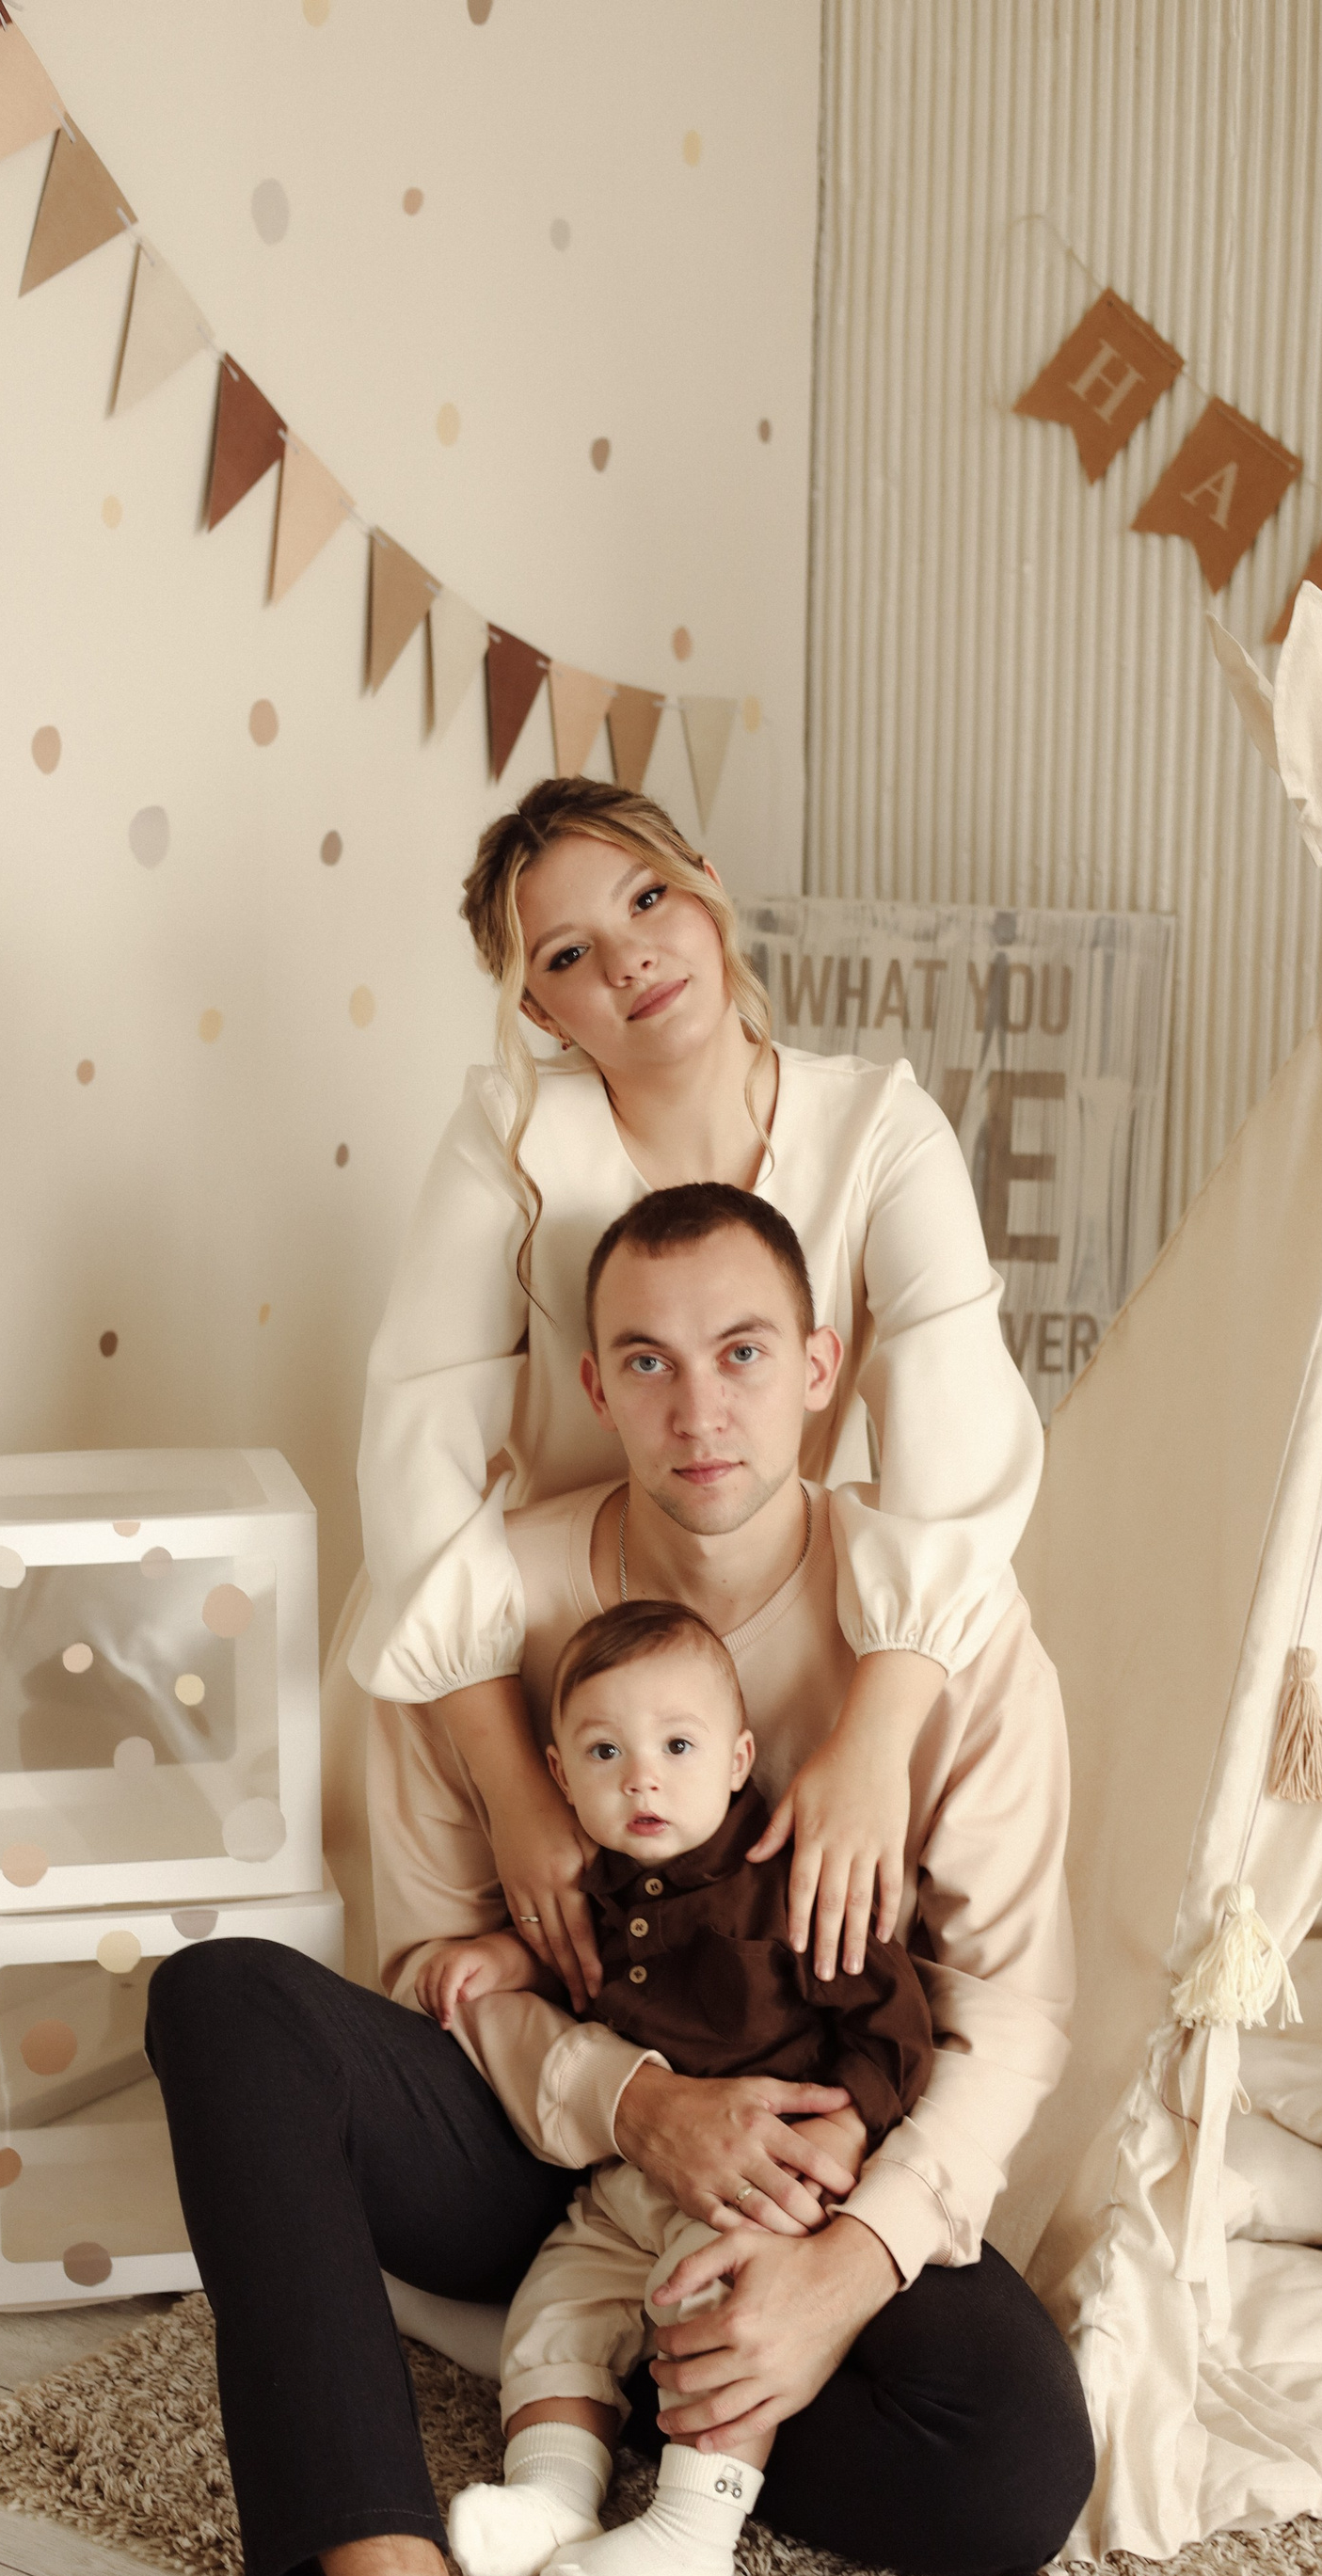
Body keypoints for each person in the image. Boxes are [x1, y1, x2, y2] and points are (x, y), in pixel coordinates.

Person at [145, 1184, 1090, 2576]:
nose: (698, 1409)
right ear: (595, 1385)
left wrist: (843, 2269)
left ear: (821, 1368)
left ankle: (617, 2381)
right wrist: (638, 2104)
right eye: (648, 1361)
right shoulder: (481, 1605)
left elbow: (1012, 2009)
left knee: (1015, 2470)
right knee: (222, 2000)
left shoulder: (946, 1631)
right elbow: (433, 1968)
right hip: (536, 2151)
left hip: (803, 2166)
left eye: (743, 1353)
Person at [323, 775, 1043, 2002]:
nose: (630, 960)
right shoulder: (508, 1140)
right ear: (540, 1008)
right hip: (546, 1632)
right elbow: (416, 1438)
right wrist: (515, 1788)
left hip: (772, 1594)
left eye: (648, 899)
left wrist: (875, 1743)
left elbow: (958, 1429)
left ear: (707, 886)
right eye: (569, 954)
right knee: (497, 2000)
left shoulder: (881, 1128)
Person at [426, 1598, 934, 2576]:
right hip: (626, 2183)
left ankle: (694, 2531)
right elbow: (571, 1960)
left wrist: (846, 2128)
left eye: (677, 1746)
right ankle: (553, 2493)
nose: (642, 1779)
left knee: (720, 2321)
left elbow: (894, 2024)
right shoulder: (598, 1890)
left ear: (740, 1759)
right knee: (558, 2307)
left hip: (760, 2188)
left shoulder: (787, 1880)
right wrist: (502, 1957)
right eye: (605, 1752)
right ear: (559, 1775)